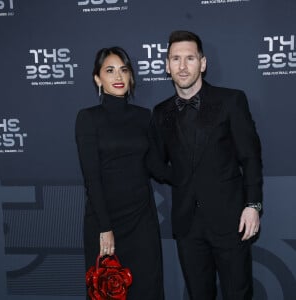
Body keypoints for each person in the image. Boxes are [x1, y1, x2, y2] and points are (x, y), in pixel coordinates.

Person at [149, 30, 263, 300]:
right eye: (175, 58)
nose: (182, 65)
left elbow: (251, 157)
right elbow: (154, 160)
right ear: (167, 66)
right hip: (188, 225)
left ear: (203, 63)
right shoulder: (161, 112)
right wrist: (179, 177)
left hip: (232, 220)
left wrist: (253, 205)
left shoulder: (231, 101)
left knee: (238, 294)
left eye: (190, 58)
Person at [75, 46, 165, 300]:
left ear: (131, 77)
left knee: (148, 288)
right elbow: (91, 177)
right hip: (106, 222)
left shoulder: (143, 117)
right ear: (97, 79)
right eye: (110, 70)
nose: (118, 76)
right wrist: (105, 227)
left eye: (124, 70)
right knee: (108, 292)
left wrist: (194, 170)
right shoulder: (88, 118)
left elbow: (155, 166)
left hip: (142, 220)